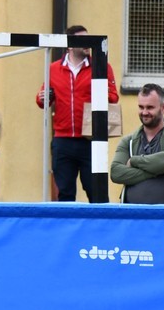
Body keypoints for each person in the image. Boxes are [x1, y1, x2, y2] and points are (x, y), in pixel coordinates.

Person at [35, 25, 119, 203]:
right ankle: (66, 230)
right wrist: (42, 97)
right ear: (70, 45)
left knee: (96, 192)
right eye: (82, 40)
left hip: (91, 140)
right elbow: (44, 101)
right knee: (64, 193)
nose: (87, 44)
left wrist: (97, 92)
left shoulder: (101, 64)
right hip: (62, 140)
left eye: (89, 39)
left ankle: (100, 229)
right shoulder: (53, 69)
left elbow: (113, 97)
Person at [110, 84, 164, 204]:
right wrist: (160, 168)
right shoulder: (128, 142)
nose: (144, 112)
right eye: (141, 107)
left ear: (163, 108)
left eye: (150, 107)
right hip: (132, 218)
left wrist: (134, 161)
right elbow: (116, 173)